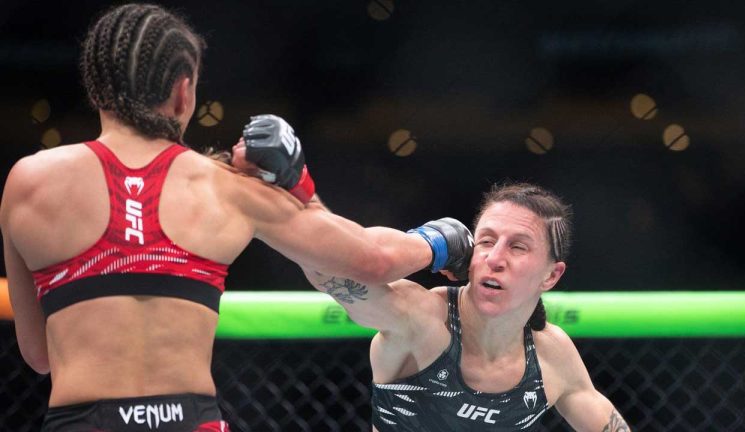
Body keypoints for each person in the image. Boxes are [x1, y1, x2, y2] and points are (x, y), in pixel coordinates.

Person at [0, 4, 472, 432]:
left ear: (96, 86)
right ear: (184, 91)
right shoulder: (226, 189)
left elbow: (39, 355)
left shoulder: (28, 183)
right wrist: (442, 240)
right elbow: (371, 261)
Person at [239, 136, 630, 431]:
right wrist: (428, 245)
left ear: (551, 275)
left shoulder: (552, 356)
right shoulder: (422, 319)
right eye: (488, 241)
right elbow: (327, 266)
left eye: (518, 247)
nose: (495, 258)